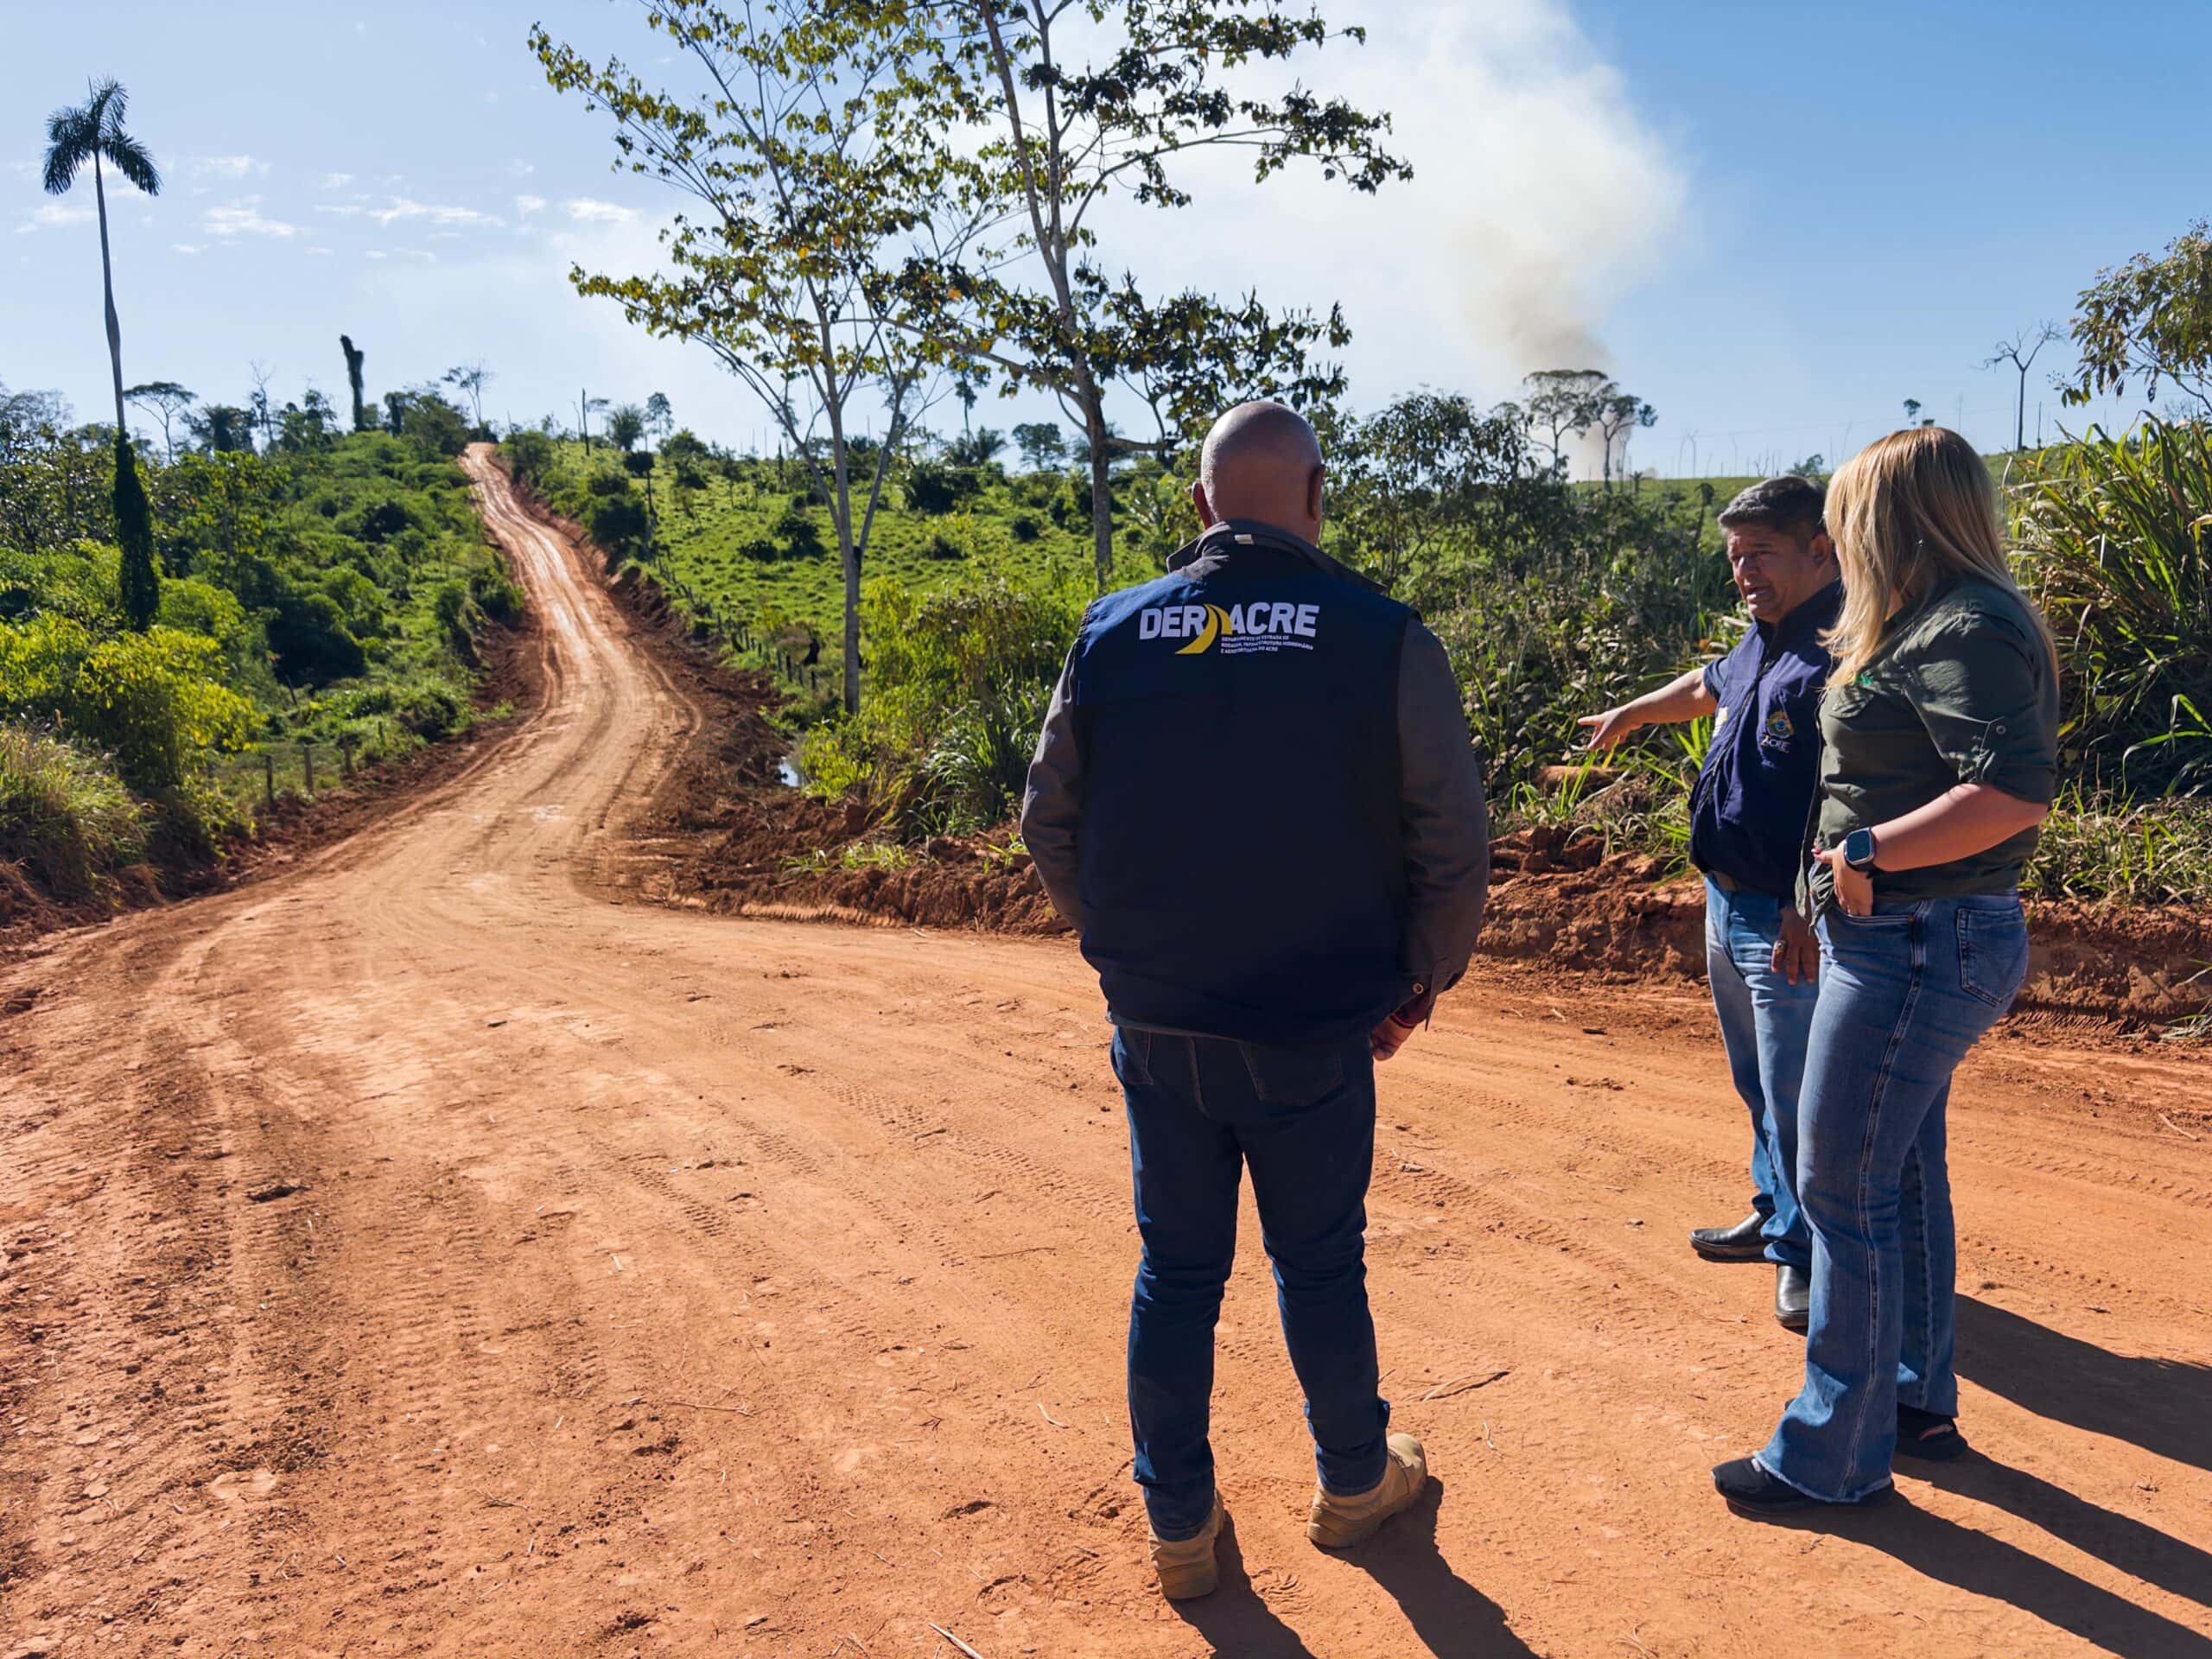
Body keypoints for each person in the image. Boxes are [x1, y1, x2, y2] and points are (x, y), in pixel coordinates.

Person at [1020, 400, 1491, 1600]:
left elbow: (1047, 820)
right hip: (1315, 1022)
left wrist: (1117, 951)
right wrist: (1418, 982)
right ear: (1318, 498)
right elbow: (1451, 842)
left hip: (1158, 1021)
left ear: (1198, 507)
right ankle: (1353, 1482)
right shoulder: (1384, 638)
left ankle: (1180, 1525)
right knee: (1319, 1264)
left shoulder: (1111, 633)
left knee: (1176, 1273)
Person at [1713, 426, 2058, 1516]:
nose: (1839, 533)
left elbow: (2010, 791)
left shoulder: (1966, 624)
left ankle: (1830, 1454)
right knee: (1895, 1176)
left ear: (1895, 515)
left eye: (1850, 513)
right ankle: (1906, 1397)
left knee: (1839, 1190)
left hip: (1917, 939)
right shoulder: (1927, 617)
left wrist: (1865, 853)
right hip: (1906, 937)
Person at [1579, 476, 1840, 1331]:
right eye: (1735, 557)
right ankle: (1774, 1211)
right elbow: (1705, 685)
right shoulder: (1763, 640)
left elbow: (1845, 795)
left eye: (1761, 553)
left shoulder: (1837, 651)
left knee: (1795, 1094)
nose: (1744, 572)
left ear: (1820, 549)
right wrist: (1629, 714)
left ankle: (1803, 1254)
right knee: (1756, 1082)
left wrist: (1805, 905)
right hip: (1724, 903)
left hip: (1783, 916)